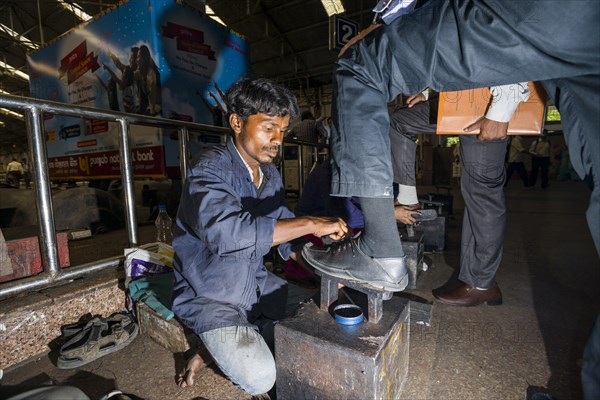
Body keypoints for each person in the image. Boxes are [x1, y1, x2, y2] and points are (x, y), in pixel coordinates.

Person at [302, 1, 599, 303]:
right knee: (402, 122)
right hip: (575, 31)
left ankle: (392, 256)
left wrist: (503, 106)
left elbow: (499, 34)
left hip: (503, 71)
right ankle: (407, 196)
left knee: (357, 64)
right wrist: (428, 89)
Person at [171, 77, 348, 395]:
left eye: (282, 130)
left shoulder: (270, 174)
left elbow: (284, 233)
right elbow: (228, 235)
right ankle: (211, 344)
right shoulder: (208, 169)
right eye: (268, 128)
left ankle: (237, 340)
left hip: (256, 283)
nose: (277, 139)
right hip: (212, 295)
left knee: (329, 309)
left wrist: (327, 271)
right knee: (261, 377)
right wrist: (310, 223)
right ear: (237, 122)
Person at [106, 46, 139, 113]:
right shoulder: (128, 70)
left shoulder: (138, 76)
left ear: (137, 60)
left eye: (132, 58)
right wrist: (111, 55)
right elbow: (119, 64)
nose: (129, 60)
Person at [135, 45, 161, 116]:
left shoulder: (151, 74)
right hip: (150, 106)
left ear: (144, 58)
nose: (137, 60)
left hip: (157, 107)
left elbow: (152, 95)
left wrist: (151, 113)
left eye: (138, 56)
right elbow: (131, 76)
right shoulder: (141, 72)